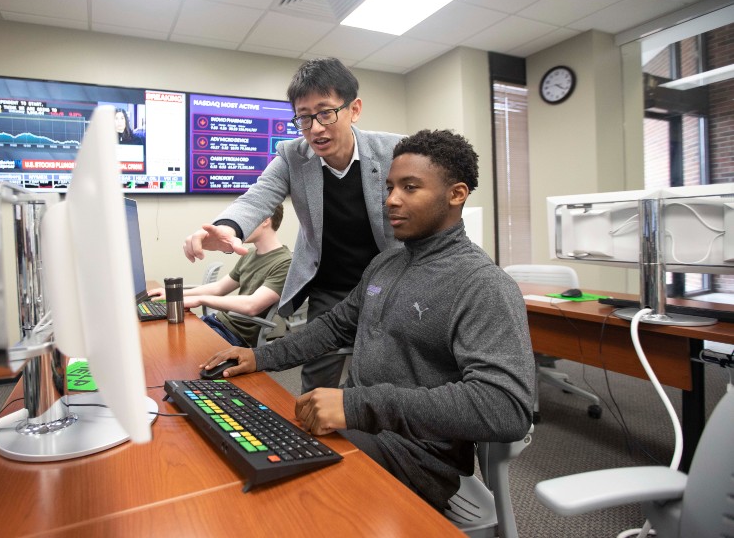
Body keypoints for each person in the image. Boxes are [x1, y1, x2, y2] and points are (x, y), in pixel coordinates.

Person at [199, 129, 535, 512]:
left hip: (415, 456)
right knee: (246, 451)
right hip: (358, 427)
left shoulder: (483, 285)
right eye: (390, 187)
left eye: (409, 188)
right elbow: (334, 326)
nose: (390, 200)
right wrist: (260, 358)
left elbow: (505, 407)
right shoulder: (385, 264)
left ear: (456, 194)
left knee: (279, 499)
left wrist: (358, 405)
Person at [183, 57, 404, 392]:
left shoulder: (394, 151)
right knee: (316, 381)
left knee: (385, 376)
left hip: (389, 283)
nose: (315, 128)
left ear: (354, 109)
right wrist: (227, 227)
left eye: (325, 112)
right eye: (303, 117)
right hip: (330, 287)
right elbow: (257, 197)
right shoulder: (293, 156)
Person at [152, 205, 291, 348]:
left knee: (166, 346)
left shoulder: (285, 262)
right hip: (217, 322)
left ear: (265, 220)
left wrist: (200, 300)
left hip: (236, 336)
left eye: (246, 220)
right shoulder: (249, 254)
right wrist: (173, 294)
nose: (240, 227)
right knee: (159, 336)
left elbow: (252, 306)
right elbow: (219, 288)